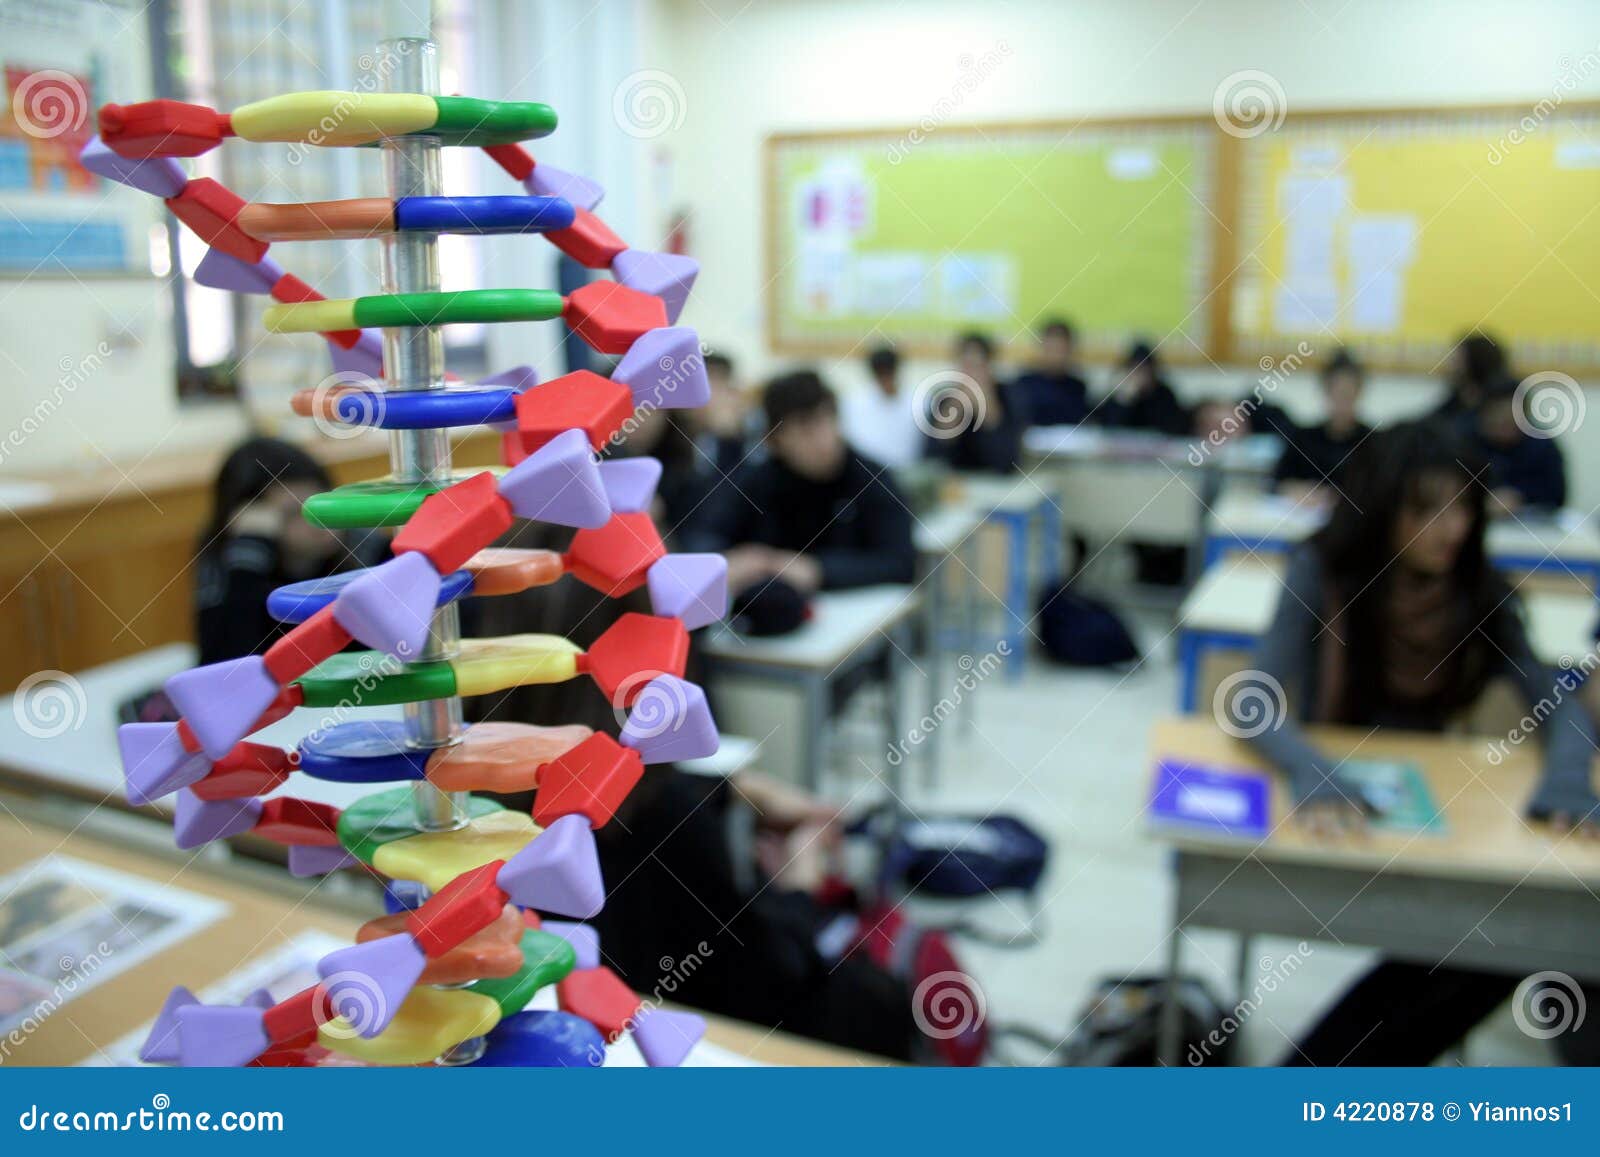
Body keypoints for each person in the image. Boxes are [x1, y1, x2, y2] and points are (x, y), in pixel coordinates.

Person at [462, 522, 920, 1060]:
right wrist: (799, 882)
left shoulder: (466, 793)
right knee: (891, 1010)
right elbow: (773, 984)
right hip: (693, 1031)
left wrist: (730, 791)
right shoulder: (666, 820)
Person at [1233, 420, 1599, 1065]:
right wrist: (1311, 769)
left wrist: (1570, 774)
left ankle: (1305, 1086)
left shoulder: (1478, 592)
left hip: (1434, 824)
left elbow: (1554, 703)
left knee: (1496, 941)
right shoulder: (1324, 572)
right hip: (1338, 817)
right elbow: (1251, 705)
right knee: (1476, 951)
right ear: (1381, 507)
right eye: (1426, 509)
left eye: (1462, 507)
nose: (1450, 528)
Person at [691, 370, 916, 597]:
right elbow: (702, 536)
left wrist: (819, 570)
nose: (824, 439)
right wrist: (730, 561)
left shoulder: (870, 477)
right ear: (775, 439)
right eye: (806, 430)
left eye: (829, 420)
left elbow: (901, 562)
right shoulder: (756, 480)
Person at [194, 436, 351, 665]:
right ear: (250, 519)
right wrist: (248, 561)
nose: (320, 522)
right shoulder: (236, 560)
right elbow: (226, 668)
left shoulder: (365, 545)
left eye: (323, 502)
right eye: (293, 512)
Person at [1272, 349, 1372, 504]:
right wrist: (1300, 491)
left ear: (1359, 393)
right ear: (1326, 392)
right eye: (1337, 393)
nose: (1342, 401)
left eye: (1348, 394)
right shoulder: (1302, 437)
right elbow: (1277, 482)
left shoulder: (1373, 442)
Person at [921, 331, 1027, 473]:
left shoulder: (1009, 395)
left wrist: (988, 408)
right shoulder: (944, 399)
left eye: (977, 366)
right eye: (966, 366)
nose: (971, 375)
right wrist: (956, 409)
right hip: (955, 480)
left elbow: (1009, 460)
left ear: (989, 366)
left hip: (997, 481)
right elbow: (931, 458)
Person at [1473, 375, 1567, 515]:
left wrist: (1520, 497)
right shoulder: (1467, 443)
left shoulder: (1542, 445)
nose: (1502, 423)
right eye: (1496, 416)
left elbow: (1557, 495)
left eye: (1510, 418)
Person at [840, 343, 920, 469]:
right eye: (881, 374)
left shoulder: (918, 404)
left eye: (888, 373)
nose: (886, 381)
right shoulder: (853, 404)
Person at [1100, 340, 1189, 436]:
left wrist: (1149, 393)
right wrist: (1125, 400)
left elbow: (1172, 427)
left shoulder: (1165, 394)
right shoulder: (1119, 394)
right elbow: (1109, 427)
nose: (1139, 374)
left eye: (1144, 368)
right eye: (1134, 368)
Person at [1013, 318, 1089, 427]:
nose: (1055, 356)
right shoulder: (1024, 384)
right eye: (1051, 349)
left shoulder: (1077, 387)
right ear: (1042, 348)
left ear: (1069, 350)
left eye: (1060, 349)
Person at [1429, 331, 1508, 423]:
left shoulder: (1508, 398)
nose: (1451, 366)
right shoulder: (1458, 397)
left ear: (1476, 362)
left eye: (1457, 360)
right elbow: (1435, 420)